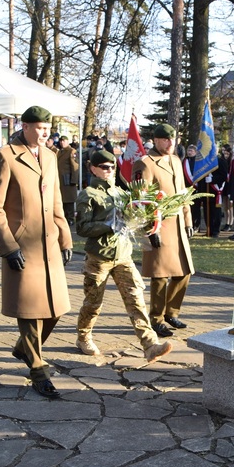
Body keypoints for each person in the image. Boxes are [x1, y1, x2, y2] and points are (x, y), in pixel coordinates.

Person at [0, 105, 72, 399]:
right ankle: (38, 369)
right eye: (39, 128)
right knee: (30, 311)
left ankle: (23, 348)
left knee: (56, 309)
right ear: (25, 126)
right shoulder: (5, 156)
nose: (45, 133)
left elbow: (56, 200)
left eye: (48, 128)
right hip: (23, 246)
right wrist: (8, 246)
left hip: (48, 244)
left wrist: (66, 237)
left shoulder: (50, 155)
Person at [74, 149, 173, 363]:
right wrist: (107, 225)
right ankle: (83, 337)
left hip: (123, 255)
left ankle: (150, 345)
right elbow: (81, 228)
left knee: (136, 299)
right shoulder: (88, 194)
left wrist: (150, 223)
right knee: (93, 302)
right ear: (93, 168)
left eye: (112, 167)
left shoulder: (121, 193)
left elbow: (133, 217)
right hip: (99, 257)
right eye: (104, 167)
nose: (109, 170)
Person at [132, 123, 194, 339]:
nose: (170, 143)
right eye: (166, 140)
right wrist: (151, 228)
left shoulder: (176, 160)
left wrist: (187, 220)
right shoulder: (146, 163)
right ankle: (156, 319)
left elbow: (182, 192)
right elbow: (141, 198)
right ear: (156, 140)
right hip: (160, 224)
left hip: (177, 224)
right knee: (160, 274)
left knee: (184, 272)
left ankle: (171, 312)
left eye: (173, 139)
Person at [56, 135, 78, 223]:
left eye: (64, 141)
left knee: (69, 201)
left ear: (68, 141)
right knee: (63, 200)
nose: (62, 142)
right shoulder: (60, 152)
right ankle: (65, 217)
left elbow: (75, 166)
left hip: (68, 179)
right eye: (61, 141)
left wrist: (74, 180)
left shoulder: (71, 151)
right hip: (61, 179)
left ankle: (71, 218)